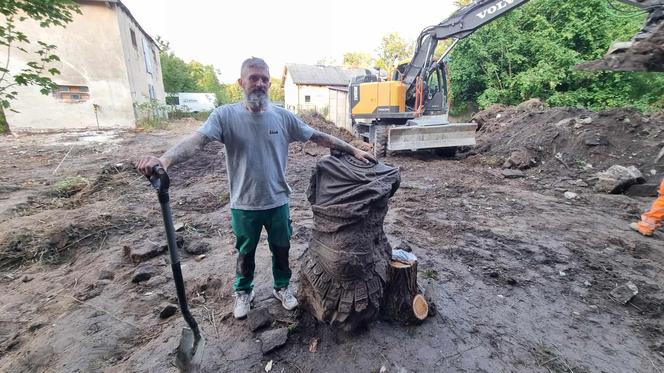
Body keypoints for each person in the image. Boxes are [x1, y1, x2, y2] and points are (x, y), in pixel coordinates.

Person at [136, 57, 376, 319]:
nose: (260, 83)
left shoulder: (283, 118)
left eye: (264, 79)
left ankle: (281, 287)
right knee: (245, 252)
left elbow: (318, 136)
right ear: (241, 82)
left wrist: (352, 149)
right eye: (254, 78)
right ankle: (243, 291)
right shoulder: (225, 116)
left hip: (277, 202)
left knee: (281, 248)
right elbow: (197, 141)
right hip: (244, 204)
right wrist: (165, 160)